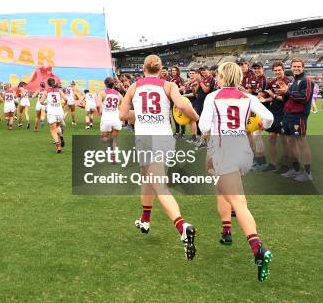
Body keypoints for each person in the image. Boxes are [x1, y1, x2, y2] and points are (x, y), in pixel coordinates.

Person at [198, 62, 274, 281]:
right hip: (243, 151)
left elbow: (203, 127)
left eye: (218, 75)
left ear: (222, 77)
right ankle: (226, 232)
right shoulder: (248, 98)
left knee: (238, 201)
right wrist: (260, 125)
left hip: (222, 151)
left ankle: (258, 247)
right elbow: (268, 119)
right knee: (224, 190)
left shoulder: (212, 97)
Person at [119, 55, 199, 261]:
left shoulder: (134, 87)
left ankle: (182, 226)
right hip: (164, 137)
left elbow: (122, 115)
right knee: (147, 178)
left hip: (146, 139)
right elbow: (181, 106)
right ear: (160, 68)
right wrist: (196, 116)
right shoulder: (169, 85)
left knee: (158, 184)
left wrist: (140, 114)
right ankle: (145, 219)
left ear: (143, 69)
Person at [277, 58, 313, 182]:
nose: (296, 68)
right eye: (294, 66)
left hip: (298, 116)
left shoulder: (306, 80)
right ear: (291, 67)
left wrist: (288, 91)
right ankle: (296, 169)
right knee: (290, 143)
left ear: (303, 67)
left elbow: (304, 97)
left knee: (301, 143)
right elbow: (290, 97)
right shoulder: (294, 80)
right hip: (288, 115)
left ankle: (308, 173)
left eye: (299, 66)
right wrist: (284, 92)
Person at [260, 62, 290, 173]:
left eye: (279, 70)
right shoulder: (272, 82)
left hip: (284, 113)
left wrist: (273, 96)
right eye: (275, 70)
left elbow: (286, 99)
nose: (277, 72)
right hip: (273, 113)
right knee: (272, 139)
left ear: (283, 70)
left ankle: (286, 165)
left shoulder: (288, 82)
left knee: (284, 141)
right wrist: (264, 98)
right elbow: (268, 96)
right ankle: (272, 164)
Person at [40, 77, 68, 153]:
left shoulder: (46, 91)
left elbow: (41, 101)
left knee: (53, 129)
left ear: (48, 84)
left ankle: (58, 146)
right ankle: (61, 136)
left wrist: (45, 103)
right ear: (54, 83)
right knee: (57, 127)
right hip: (59, 112)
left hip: (51, 112)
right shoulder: (59, 90)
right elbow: (66, 99)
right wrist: (63, 105)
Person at [97, 78, 122, 157]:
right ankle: (113, 156)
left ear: (105, 84)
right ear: (113, 84)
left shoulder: (102, 93)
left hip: (106, 118)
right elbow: (122, 103)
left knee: (103, 138)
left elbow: (98, 105)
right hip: (116, 118)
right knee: (114, 139)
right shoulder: (118, 94)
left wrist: (100, 111)